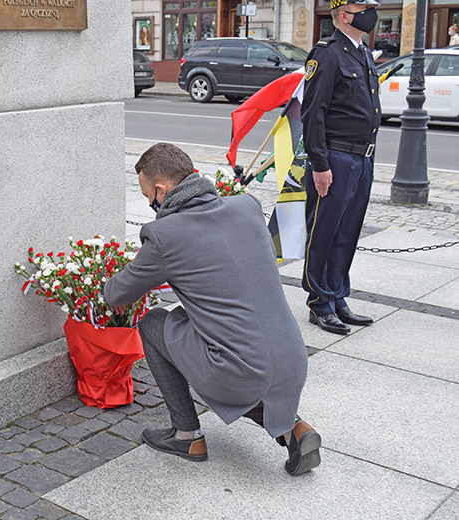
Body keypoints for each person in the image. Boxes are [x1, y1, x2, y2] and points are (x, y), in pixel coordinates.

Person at [104, 143, 321, 476]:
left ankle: (186, 434)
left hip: (239, 372)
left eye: (149, 197)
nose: (150, 205)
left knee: (154, 322)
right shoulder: (246, 206)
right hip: (293, 361)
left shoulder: (164, 235)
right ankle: (293, 427)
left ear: (161, 190)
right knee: (209, 333)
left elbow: (116, 293)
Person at [300, 0, 381, 335]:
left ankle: (337, 296)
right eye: (364, 7)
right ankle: (320, 302)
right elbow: (312, 114)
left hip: (362, 158)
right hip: (334, 159)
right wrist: (319, 163)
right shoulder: (327, 53)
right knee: (324, 233)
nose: (371, 13)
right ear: (345, 15)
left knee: (347, 233)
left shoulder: (361, 52)